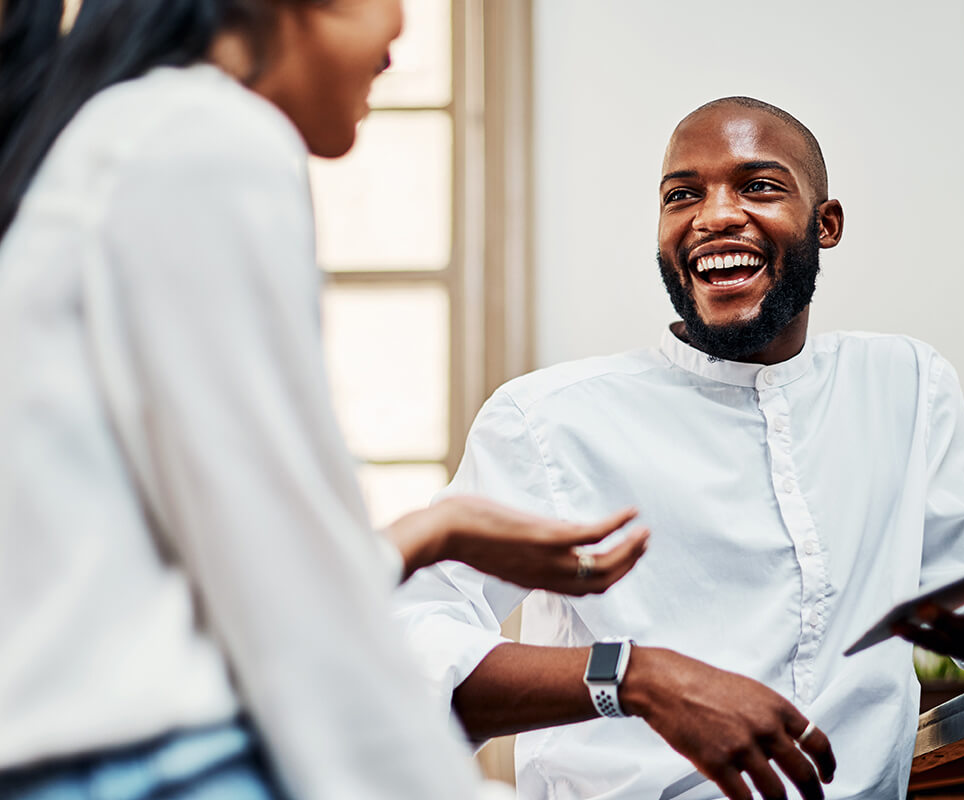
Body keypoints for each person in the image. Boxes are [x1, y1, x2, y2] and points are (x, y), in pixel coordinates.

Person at [0, 1, 647, 798]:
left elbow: (219, 550)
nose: (401, 33)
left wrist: (432, 530)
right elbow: (281, 588)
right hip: (153, 761)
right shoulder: (207, 139)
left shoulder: (126, 137)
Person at [391, 96, 964, 800]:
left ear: (824, 224)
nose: (714, 215)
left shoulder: (907, 386)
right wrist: (635, 678)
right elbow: (406, 644)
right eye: (681, 196)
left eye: (760, 186)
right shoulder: (547, 420)